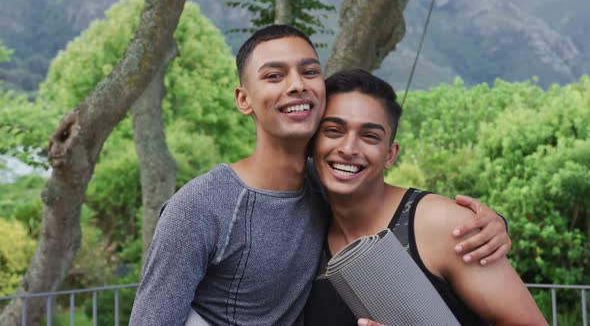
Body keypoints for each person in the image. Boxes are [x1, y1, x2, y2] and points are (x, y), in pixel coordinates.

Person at [129, 25, 511, 325]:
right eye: (274, 76)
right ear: (244, 99)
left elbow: (397, 210)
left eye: (309, 71)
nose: (297, 84)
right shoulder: (198, 207)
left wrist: (491, 224)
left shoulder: (326, 184)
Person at [305, 69, 546, 326]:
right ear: (311, 141)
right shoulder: (306, 225)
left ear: (390, 154)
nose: (348, 148)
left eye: (369, 136)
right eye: (333, 130)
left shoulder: (442, 224)